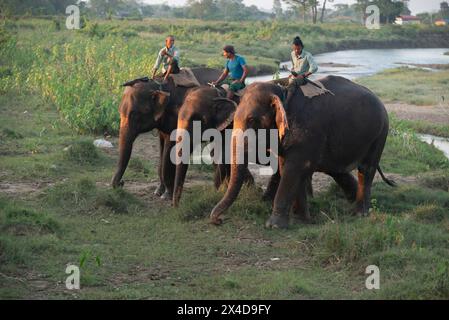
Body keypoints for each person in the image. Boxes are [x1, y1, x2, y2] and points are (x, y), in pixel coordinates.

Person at [286, 36, 318, 105]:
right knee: (280, 82)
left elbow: (314, 68)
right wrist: (292, 72)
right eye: (295, 49)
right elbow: (294, 65)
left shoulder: (308, 55)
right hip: (294, 76)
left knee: (292, 84)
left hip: (303, 78)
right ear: (292, 47)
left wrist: (303, 75)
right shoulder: (292, 54)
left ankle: (286, 103)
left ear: (302, 47)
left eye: (298, 49)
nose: (296, 51)